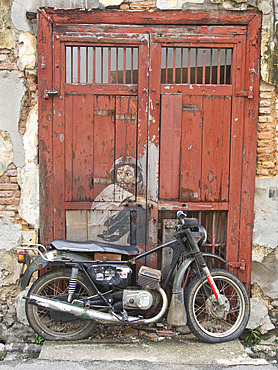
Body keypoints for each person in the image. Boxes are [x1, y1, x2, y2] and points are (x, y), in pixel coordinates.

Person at [89, 157, 147, 246]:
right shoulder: (113, 189)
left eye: (128, 174)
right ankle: (139, 245)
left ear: (137, 179)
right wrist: (156, 206)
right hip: (101, 226)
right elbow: (141, 202)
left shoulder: (122, 192)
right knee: (138, 210)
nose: (122, 177)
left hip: (108, 223)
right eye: (119, 173)